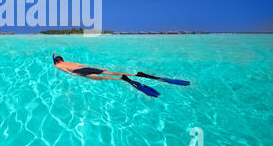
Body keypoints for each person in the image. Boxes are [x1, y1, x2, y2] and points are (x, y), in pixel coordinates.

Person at [52, 51, 190, 98]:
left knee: (102, 79)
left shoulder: (58, 64)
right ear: (62, 58)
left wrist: (73, 75)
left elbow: (63, 69)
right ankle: (138, 75)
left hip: (78, 72)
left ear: (58, 61)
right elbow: (82, 65)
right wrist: (96, 67)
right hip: (86, 67)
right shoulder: (68, 61)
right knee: (108, 72)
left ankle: (122, 79)